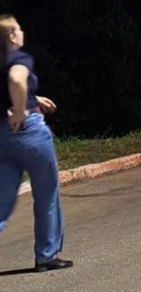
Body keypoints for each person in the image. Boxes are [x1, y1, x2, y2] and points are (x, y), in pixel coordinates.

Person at [0, 14, 73, 272]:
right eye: (18, 28)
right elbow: (16, 80)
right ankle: (47, 256)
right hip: (29, 132)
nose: (22, 32)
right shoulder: (20, 59)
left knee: (2, 202)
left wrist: (33, 97)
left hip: (3, 136)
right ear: (10, 36)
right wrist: (21, 110)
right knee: (46, 194)